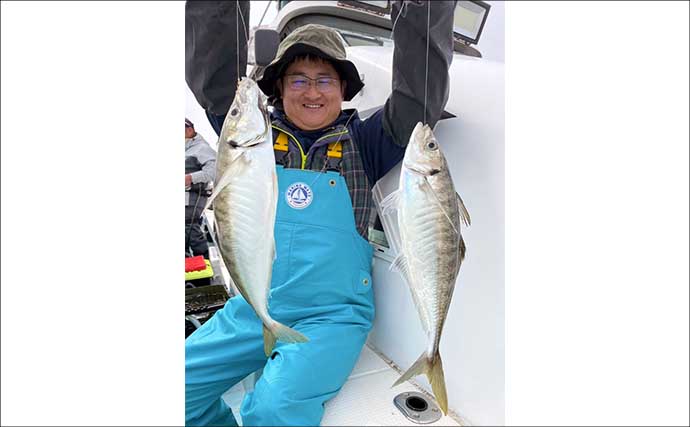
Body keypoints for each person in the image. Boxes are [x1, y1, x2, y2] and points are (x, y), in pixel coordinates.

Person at [184, 1, 456, 425]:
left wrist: (424, 7)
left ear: (343, 89)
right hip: (254, 307)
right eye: (298, 79)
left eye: (325, 79)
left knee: (274, 408)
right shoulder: (249, 137)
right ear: (278, 89)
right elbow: (216, 78)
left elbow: (417, 100)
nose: (312, 92)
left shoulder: (366, 142)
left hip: (331, 318)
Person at [185, 118, 216, 260]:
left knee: (190, 229)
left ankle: (204, 266)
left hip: (193, 198)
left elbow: (214, 170)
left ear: (189, 130)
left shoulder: (202, 148)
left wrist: (190, 178)